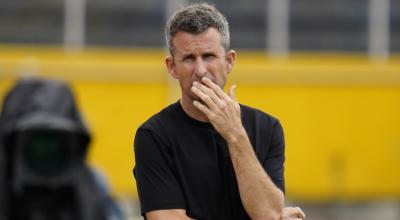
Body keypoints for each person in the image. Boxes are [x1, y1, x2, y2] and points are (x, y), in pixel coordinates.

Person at [134, 3, 305, 220]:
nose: (201, 70)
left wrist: (235, 134)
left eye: (209, 56)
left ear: (229, 61)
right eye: (188, 58)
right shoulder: (155, 136)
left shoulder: (267, 128)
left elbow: (267, 213)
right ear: (172, 67)